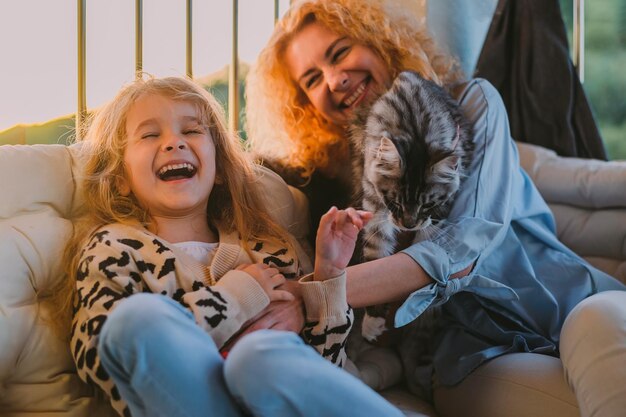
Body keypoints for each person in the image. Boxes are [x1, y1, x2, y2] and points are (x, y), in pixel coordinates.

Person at [244, 0, 626, 416]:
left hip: (565, 302)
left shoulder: (471, 104)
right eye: (312, 79)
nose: (334, 80)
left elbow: (461, 249)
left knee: (599, 325)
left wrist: (316, 295)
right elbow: (380, 333)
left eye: (339, 54)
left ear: (380, 41)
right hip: (473, 355)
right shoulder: (336, 189)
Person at [55, 75, 403, 417]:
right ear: (120, 181)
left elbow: (323, 366)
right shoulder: (113, 250)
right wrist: (232, 300)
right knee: (133, 320)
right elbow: (103, 359)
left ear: (219, 167)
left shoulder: (268, 249)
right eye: (149, 134)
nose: (174, 142)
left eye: (191, 130)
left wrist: (328, 275)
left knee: (258, 356)